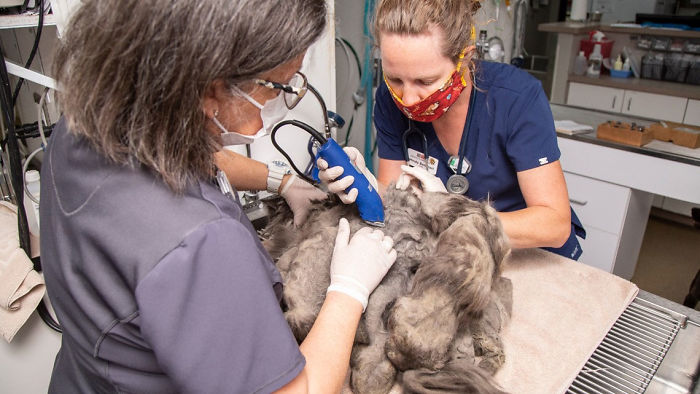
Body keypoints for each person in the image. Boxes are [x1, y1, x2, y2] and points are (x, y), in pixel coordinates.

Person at [41, 1, 396, 393]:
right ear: (203, 85)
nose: (267, 117)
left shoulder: (81, 129)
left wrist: (281, 182)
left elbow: (181, 154)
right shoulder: (200, 242)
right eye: (272, 88)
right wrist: (348, 292)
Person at [320, 0, 585, 260]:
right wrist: (361, 182)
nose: (408, 99)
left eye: (426, 81)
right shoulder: (391, 103)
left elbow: (555, 225)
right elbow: (394, 196)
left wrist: (449, 211)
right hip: (456, 254)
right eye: (395, 79)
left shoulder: (516, 98)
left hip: (528, 255)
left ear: (465, 58)